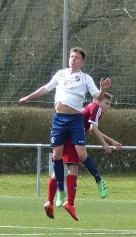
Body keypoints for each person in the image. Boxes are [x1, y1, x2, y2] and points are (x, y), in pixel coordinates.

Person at [19, 47, 111, 221]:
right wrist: (28, 97)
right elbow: (46, 88)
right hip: (59, 119)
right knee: (57, 156)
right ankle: (60, 194)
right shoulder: (61, 74)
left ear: (82, 62)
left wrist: (101, 88)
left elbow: (96, 96)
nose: (73, 59)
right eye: (71, 56)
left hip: (75, 120)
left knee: (82, 155)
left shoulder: (85, 78)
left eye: (76, 57)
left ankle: (98, 182)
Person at [46, 92, 122, 220]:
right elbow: (93, 129)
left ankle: (51, 201)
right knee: (75, 165)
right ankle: (96, 181)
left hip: (65, 133)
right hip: (72, 135)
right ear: (98, 101)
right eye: (106, 103)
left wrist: (110, 141)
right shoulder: (96, 108)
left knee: (59, 166)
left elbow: (94, 129)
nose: (108, 106)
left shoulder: (91, 107)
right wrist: (105, 144)